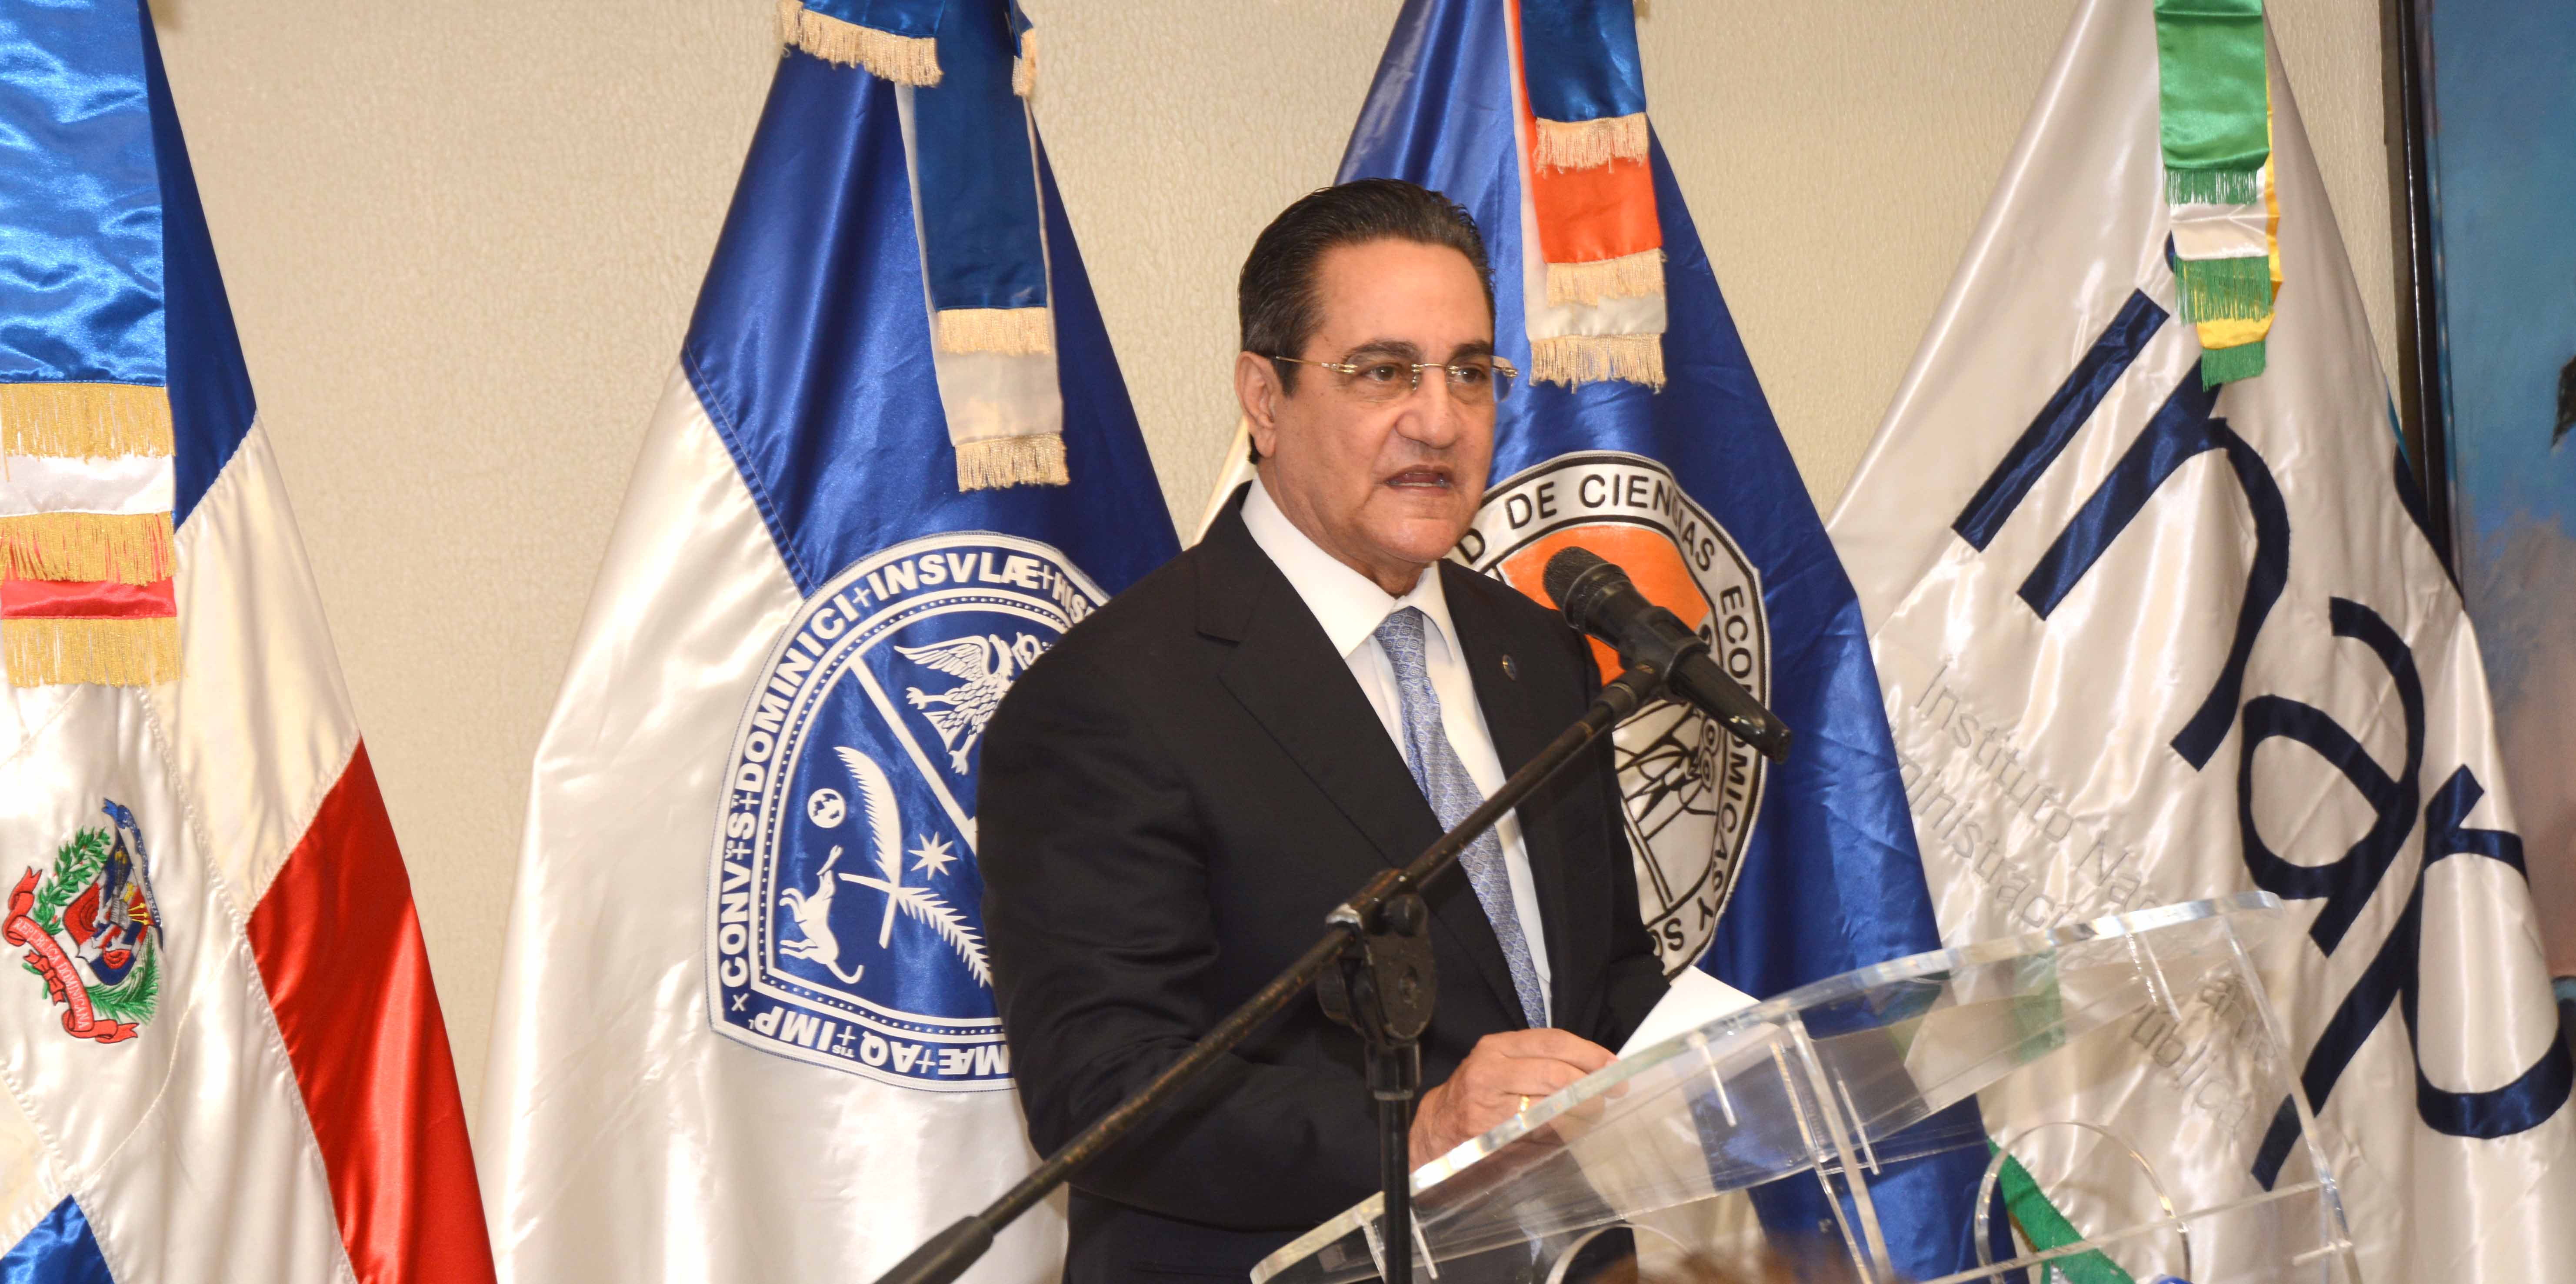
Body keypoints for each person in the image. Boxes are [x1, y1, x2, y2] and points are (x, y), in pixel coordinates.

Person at [979, 178, 1669, 1281]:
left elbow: (1602, 981)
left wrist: (1707, 1077)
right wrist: (1418, 1132)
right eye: (1382, 371)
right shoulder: (1110, 698)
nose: (1437, 420)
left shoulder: (1538, 654)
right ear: (1264, 397)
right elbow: (1103, 1087)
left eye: (1469, 372)